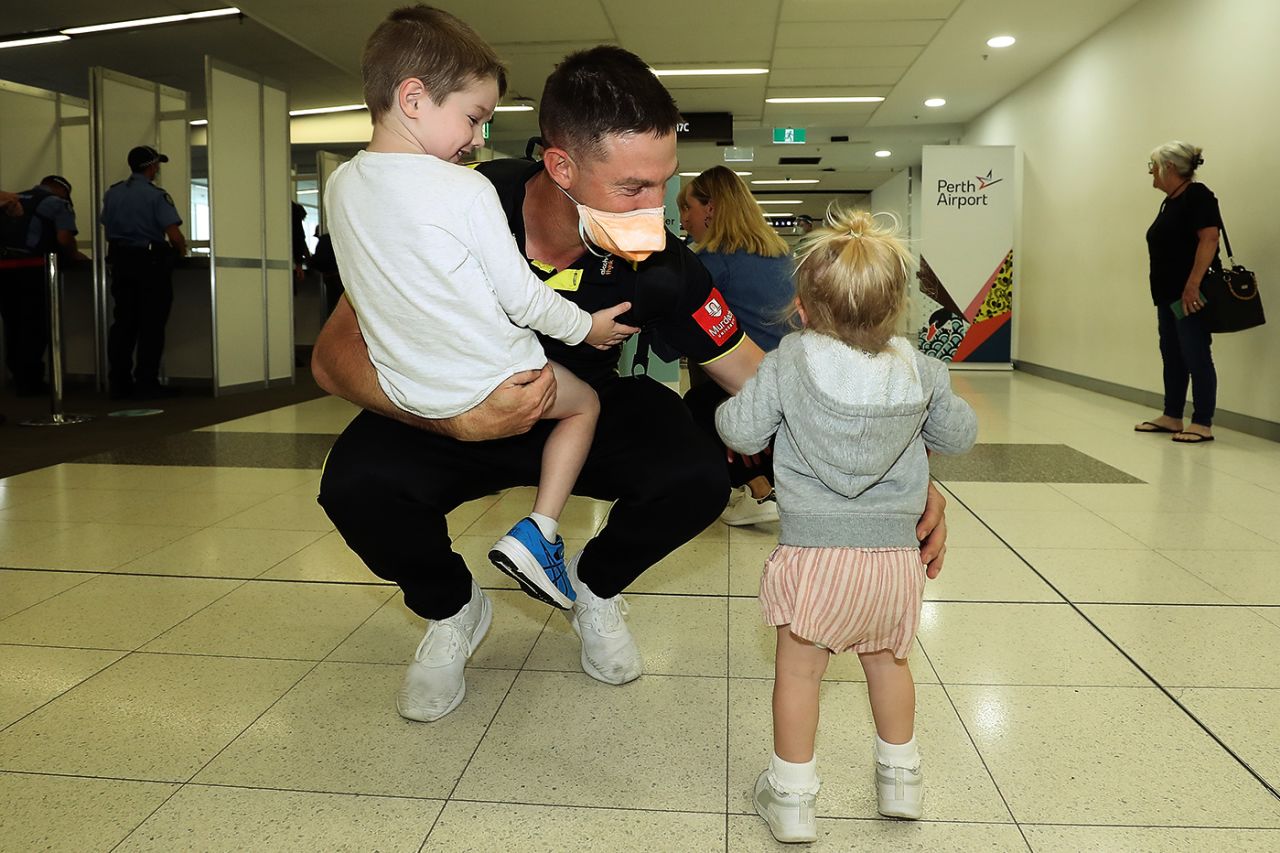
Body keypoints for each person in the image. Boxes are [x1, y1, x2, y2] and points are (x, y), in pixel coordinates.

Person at [312, 40, 950, 724]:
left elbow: (770, 382)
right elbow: (334, 357)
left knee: (698, 471)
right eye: (631, 188)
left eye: (665, 183)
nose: (656, 209)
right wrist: (450, 421)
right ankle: (453, 609)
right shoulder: (459, 199)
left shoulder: (664, 267)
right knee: (354, 485)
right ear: (560, 165)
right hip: (450, 408)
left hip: (581, 411)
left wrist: (896, 467)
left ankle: (594, 584)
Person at [326, 6, 638, 610]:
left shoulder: (342, 186)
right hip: (496, 376)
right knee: (585, 405)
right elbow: (521, 298)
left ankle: (457, 601)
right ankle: (540, 533)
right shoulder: (466, 189)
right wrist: (588, 328)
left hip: (411, 391)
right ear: (413, 98)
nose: (477, 140)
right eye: (473, 118)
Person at [716, 208, 976, 843]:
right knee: (889, 666)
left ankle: (793, 798)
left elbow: (741, 430)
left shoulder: (790, 360)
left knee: (800, 673)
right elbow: (959, 435)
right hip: (892, 563)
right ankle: (901, 782)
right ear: (895, 311)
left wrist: (735, 409)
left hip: (813, 558)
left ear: (802, 308)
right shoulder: (916, 367)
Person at [678, 166, 795, 527]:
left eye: (688, 208)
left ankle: (756, 488)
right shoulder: (780, 253)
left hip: (754, 384)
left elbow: (677, 315)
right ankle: (766, 482)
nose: (683, 219)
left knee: (697, 406)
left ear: (710, 210)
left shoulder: (712, 262)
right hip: (793, 374)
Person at [1134, 141, 1220, 444]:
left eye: (1152, 167)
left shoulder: (1197, 196)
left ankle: (1202, 422)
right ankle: (1172, 415)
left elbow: (1209, 239)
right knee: (1172, 354)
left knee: (1195, 353)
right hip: (1168, 294)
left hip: (1190, 295)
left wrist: (1193, 285)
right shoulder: (1171, 201)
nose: (1151, 174)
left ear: (1168, 167)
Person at [100, 145, 188, 400]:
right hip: (150, 263)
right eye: (157, 165)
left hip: (120, 261)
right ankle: (146, 382)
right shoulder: (156, 195)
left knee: (124, 323)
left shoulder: (113, 193)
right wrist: (180, 254)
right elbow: (174, 235)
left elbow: (107, 223)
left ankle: (119, 382)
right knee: (151, 324)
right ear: (151, 167)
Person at [0, 175, 88, 396]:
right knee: (35, 324)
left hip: (5, 270)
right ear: (61, 189)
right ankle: (31, 380)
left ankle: (18, 377)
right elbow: (64, 238)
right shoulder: (57, 203)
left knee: (13, 324)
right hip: (35, 271)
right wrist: (75, 254)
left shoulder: (12, 199)